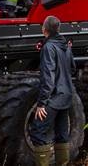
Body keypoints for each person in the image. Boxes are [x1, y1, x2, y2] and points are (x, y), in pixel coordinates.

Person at [30, 16, 75, 166]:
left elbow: (48, 78)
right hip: (67, 96)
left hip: (54, 98)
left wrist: (41, 103)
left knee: (37, 131)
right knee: (62, 135)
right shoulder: (66, 46)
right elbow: (72, 68)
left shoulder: (48, 48)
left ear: (44, 30)